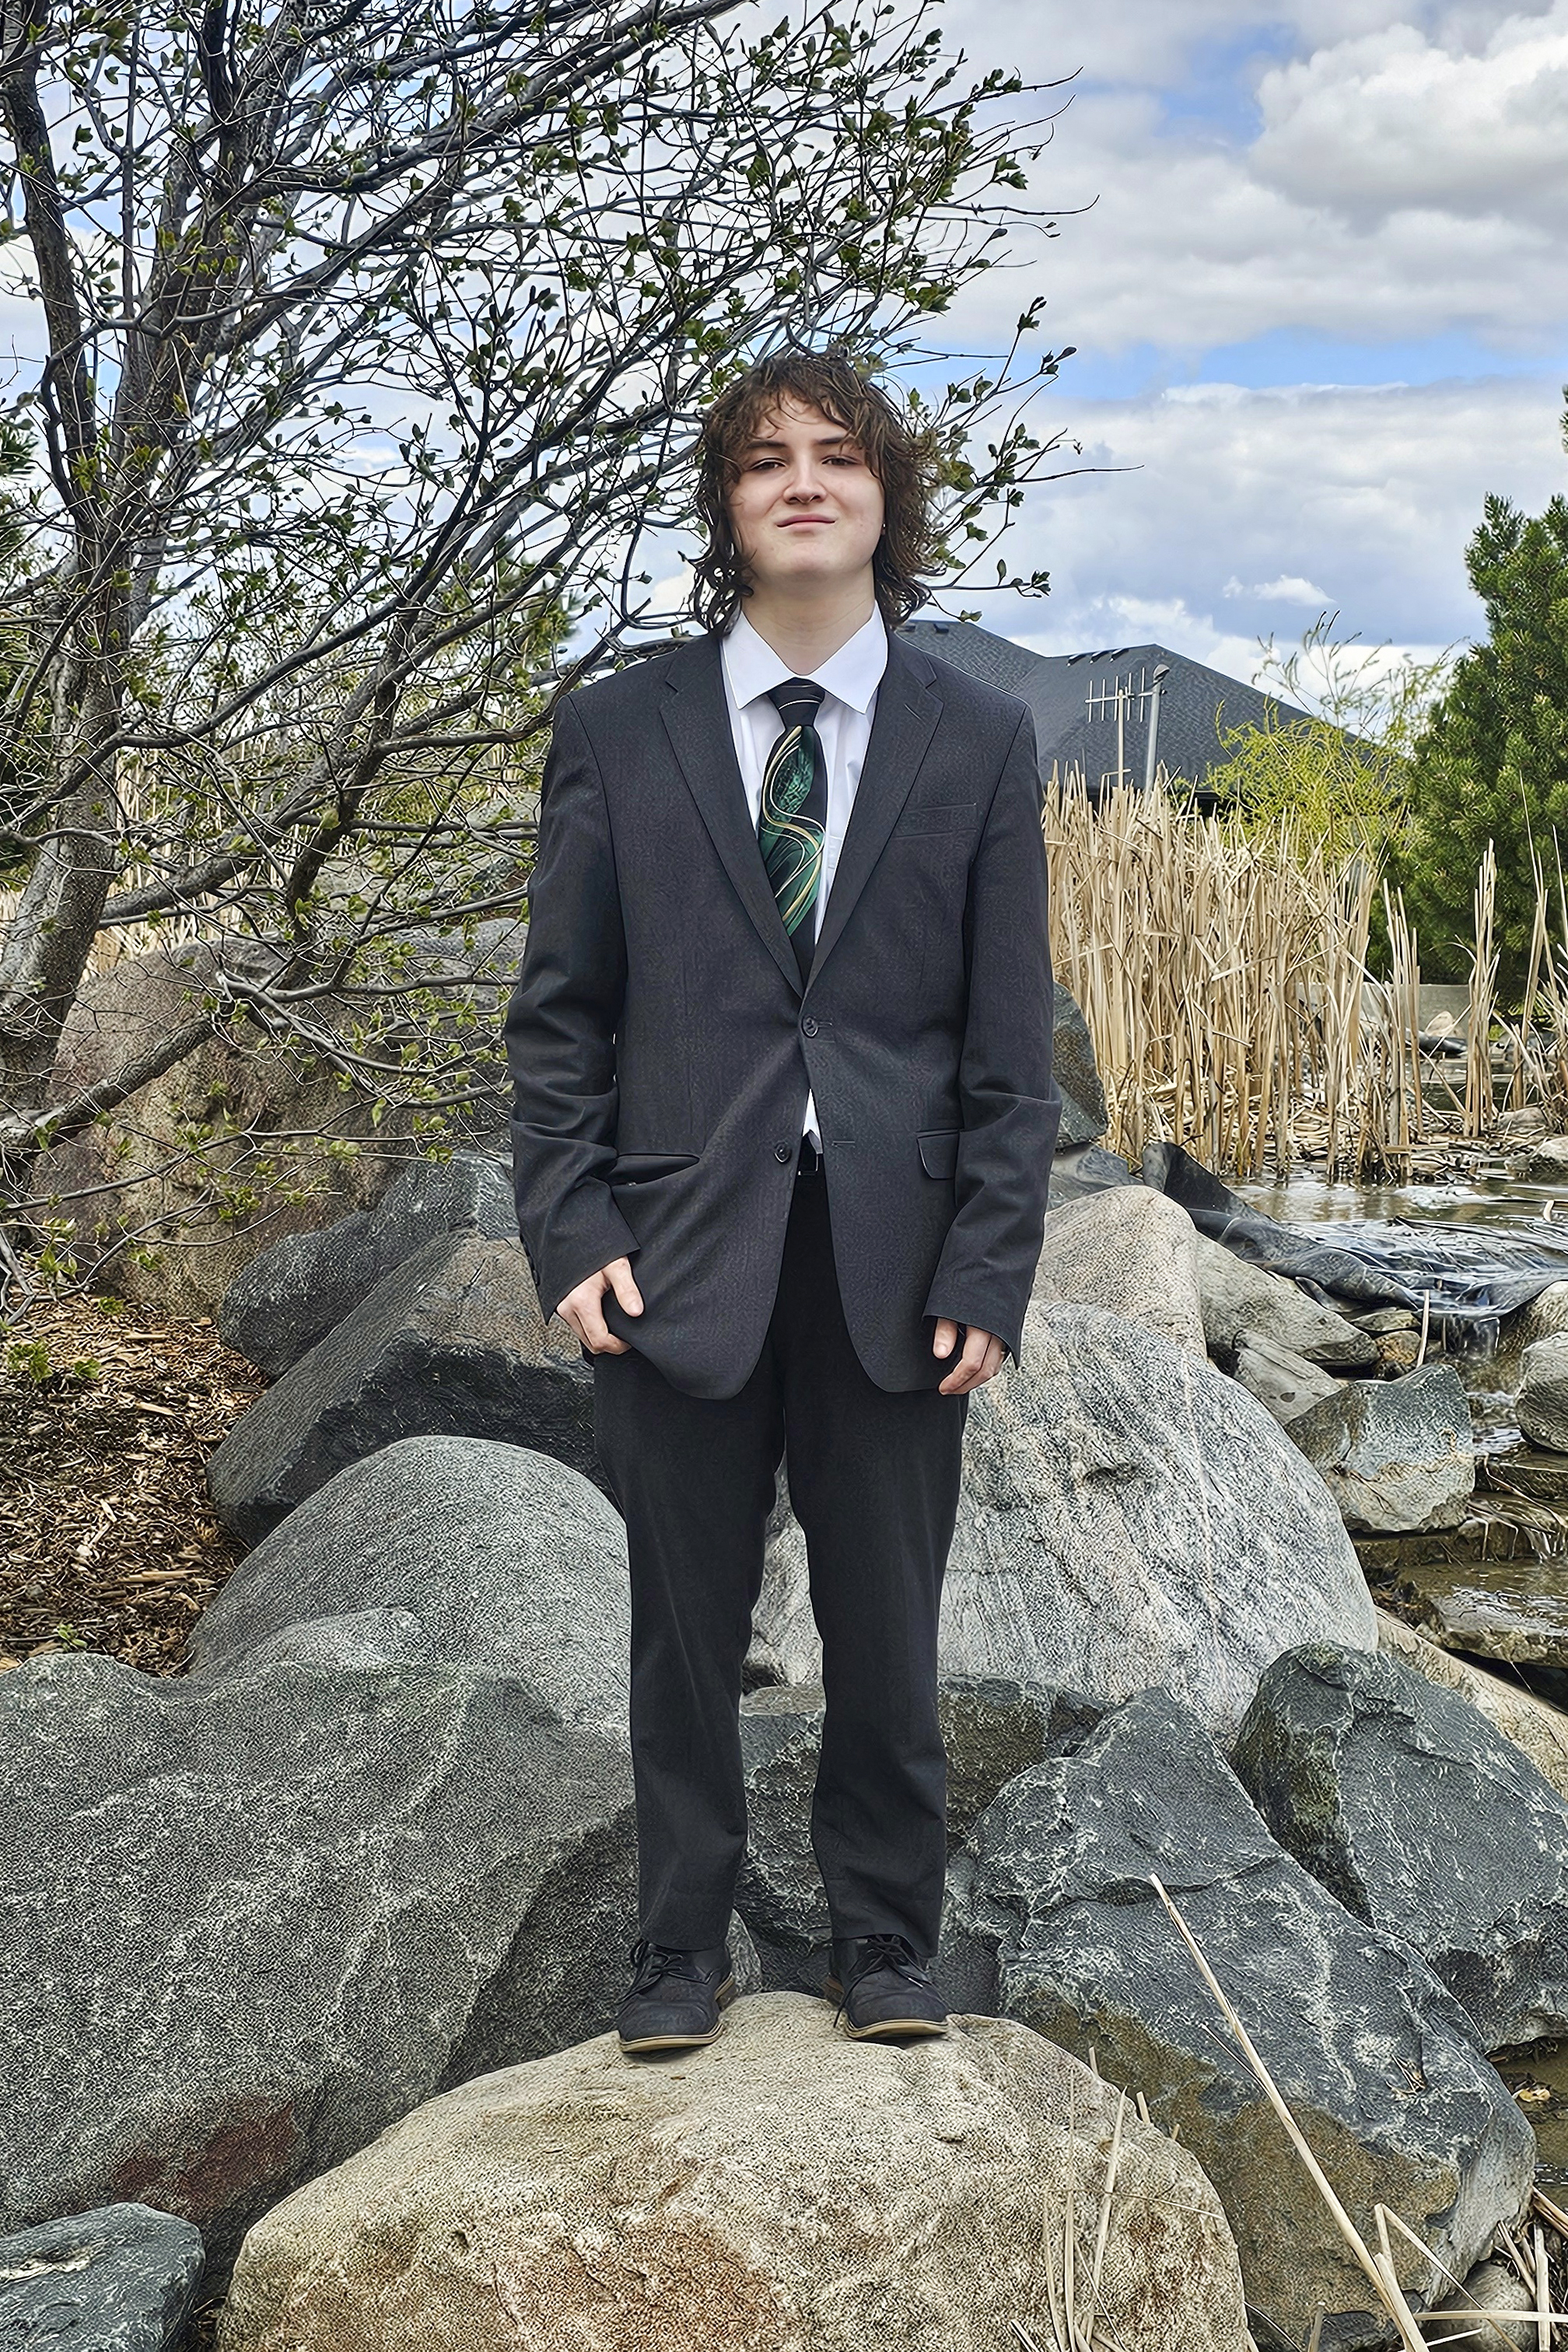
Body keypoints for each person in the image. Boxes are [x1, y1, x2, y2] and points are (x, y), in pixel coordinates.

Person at [504, 346, 1058, 2055]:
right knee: (681, 1634)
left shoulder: (978, 737)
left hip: (895, 1260)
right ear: (726, 506)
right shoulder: (620, 727)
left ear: (885, 499)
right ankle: (680, 1952)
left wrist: (991, 1259)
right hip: (677, 1252)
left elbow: (1005, 1040)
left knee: (886, 1631)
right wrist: (573, 1233)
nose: (802, 480)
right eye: (763, 461)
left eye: (836, 455)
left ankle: (889, 1943)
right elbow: (560, 1016)